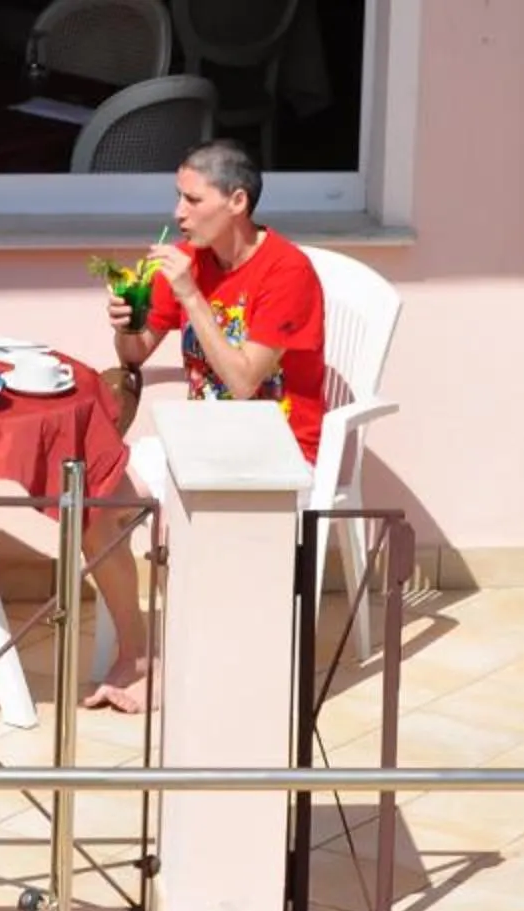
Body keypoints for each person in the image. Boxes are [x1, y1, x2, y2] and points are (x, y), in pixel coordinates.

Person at [83, 138, 330, 714]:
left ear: (237, 201)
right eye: (178, 198)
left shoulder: (286, 272)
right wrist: (128, 318)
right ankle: (139, 654)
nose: (178, 214)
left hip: (274, 445)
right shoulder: (193, 260)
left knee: (175, 518)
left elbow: (245, 384)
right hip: (198, 440)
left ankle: (191, 666)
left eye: (193, 200)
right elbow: (137, 353)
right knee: (93, 503)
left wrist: (192, 296)